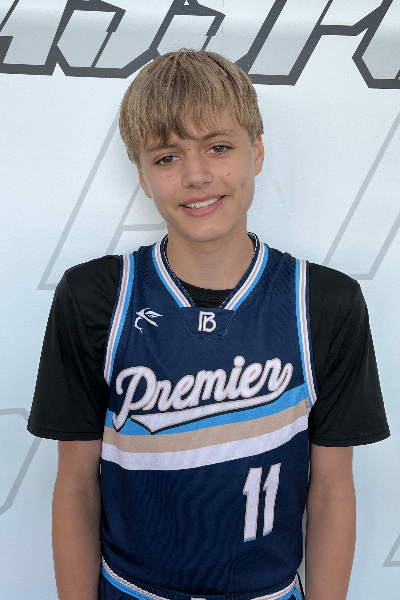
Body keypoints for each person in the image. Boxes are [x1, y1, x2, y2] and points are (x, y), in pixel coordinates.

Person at [28, 49, 389, 600]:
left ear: (256, 152)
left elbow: (333, 491)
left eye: (218, 148)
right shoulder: (96, 297)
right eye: (167, 157)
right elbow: (76, 485)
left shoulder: (323, 301)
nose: (196, 176)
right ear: (143, 177)